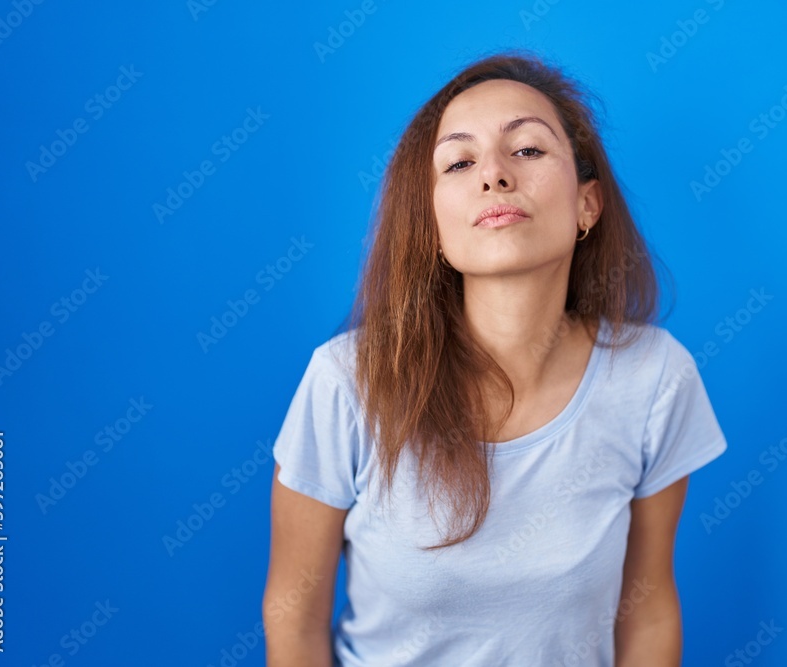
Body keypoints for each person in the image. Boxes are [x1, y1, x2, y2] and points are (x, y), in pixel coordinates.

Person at [262, 49, 728, 667]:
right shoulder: (346, 383)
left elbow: (646, 609)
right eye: (459, 161)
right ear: (431, 225)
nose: (494, 176)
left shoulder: (654, 379)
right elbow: (293, 618)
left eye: (528, 150)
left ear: (587, 204)